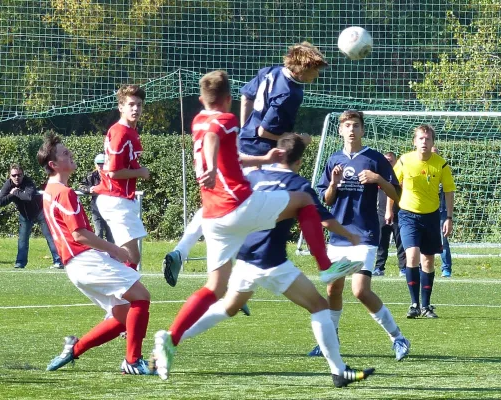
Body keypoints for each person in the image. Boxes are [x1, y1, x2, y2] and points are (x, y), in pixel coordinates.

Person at [152, 70, 362, 381]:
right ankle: (327, 267)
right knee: (304, 200)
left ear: (201, 99)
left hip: (215, 219)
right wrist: (210, 166)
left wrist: (262, 160)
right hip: (238, 207)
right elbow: (214, 139)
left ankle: (170, 338)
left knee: (214, 289)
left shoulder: (197, 120)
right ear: (227, 100)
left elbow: (227, 154)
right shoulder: (226, 120)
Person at [174, 133, 374, 388]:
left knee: (228, 307)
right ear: (300, 162)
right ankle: (339, 371)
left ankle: (173, 339)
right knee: (320, 307)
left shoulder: (254, 177)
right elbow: (325, 220)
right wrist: (350, 235)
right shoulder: (298, 185)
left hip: (245, 256)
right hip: (272, 260)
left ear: (278, 153)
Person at [162, 42, 328, 286]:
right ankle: (234, 276)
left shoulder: (270, 71)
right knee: (254, 209)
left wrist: (242, 129)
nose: (318, 74)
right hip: (262, 156)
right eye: (316, 69)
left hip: (245, 145)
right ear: (303, 68)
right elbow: (266, 130)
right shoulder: (291, 93)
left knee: (222, 207)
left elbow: (246, 95)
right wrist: (299, 140)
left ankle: (191, 256)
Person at [37, 133, 152, 375]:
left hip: (76, 266)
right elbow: (78, 235)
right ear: (53, 165)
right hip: (84, 260)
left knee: (122, 316)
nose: (71, 155)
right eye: (65, 153)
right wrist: (115, 250)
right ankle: (133, 361)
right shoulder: (64, 193)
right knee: (141, 296)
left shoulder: (49, 191)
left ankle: (74, 349)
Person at [308, 110, 411, 361]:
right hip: (339, 235)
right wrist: (333, 183)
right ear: (340, 131)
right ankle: (330, 340)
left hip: (364, 234)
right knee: (333, 288)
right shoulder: (333, 160)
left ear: (362, 130)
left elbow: (397, 194)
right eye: (347, 126)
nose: (351, 129)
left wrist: (378, 179)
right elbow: (326, 199)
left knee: (360, 290)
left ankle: (398, 338)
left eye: (355, 125)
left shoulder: (375, 159)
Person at [386, 125, 456, 318]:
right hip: (408, 215)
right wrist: (388, 209)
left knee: (428, 260)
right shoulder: (404, 161)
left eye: (427, 139)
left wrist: (449, 217)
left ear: (433, 142)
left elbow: (449, 191)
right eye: (421, 139)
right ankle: (414, 304)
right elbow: (392, 185)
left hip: (431, 216)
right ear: (414, 142)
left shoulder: (441, 164)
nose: (424, 142)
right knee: (412, 255)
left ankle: (426, 306)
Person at [94, 84, 150, 270]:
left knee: (128, 257)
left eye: (139, 105)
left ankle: (121, 293)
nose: (136, 109)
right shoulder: (120, 132)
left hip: (121, 199)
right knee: (131, 257)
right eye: (131, 104)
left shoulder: (130, 131)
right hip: (115, 199)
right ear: (121, 107)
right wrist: (140, 172)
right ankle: (119, 293)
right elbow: (112, 171)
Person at [0, 164, 63, 269]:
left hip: (40, 212)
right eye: (14, 175)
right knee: (22, 239)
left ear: (23, 175)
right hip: (25, 215)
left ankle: (58, 261)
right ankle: (20, 263)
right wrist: (13, 195)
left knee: (50, 237)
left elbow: (28, 197)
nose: (16, 177)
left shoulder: (28, 182)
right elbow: (1, 201)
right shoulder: (8, 184)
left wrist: (16, 192)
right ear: (10, 176)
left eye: (19, 175)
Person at [373, 151, 406, 277]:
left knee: (401, 243)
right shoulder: (380, 176)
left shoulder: (400, 177)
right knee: (382, 242)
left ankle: (403, 269)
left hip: (399, 214)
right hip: (382, 214)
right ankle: (379, 268)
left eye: (390, 160)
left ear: (396, 161)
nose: (388, 162)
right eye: (386, 160)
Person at [78, 154, 114, 243]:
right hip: (96, 210)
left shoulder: (112, 175)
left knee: (111, 235)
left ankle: (113, 255)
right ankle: (100, 254)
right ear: (95, 164)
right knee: (98, 233)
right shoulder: (91, 175)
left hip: (110, 210)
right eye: (98, 164)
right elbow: (81, 186)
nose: (100, 166)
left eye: (103, 163)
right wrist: (89, 189)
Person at [432, 146, 452, 278]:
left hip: (442, 211)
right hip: (426, 211)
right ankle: (422, 266)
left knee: (443, 240)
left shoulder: (443, 169)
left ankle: (446, 268)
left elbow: (449, 191)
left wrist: (449, 216)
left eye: (435, 153)